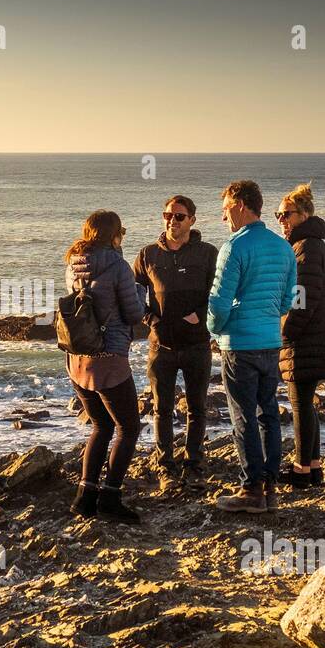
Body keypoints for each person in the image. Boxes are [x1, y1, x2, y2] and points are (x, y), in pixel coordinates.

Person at [206, 180, 298, 514]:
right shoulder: (283, 247)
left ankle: (251, 489)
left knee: (243, 416)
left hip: (240, 344)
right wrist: (266, 315)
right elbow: (289, 298)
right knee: (268, 412)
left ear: (242, 205)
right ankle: (270, 487)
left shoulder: (234, 247)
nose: (223, 216)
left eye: (227, 207)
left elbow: (218, 301)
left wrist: (214, 330)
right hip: (270, 342)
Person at [132, 195, 218, 491]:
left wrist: (203, 316)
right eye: (168, 215)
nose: (172, 220)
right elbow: (131, 294)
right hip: (161, 346)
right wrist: (150, 320)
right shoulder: (147, 254)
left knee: (197, 408)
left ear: (192, 220)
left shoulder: (208, 253)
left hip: (197, 345)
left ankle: (194, 464)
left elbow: (221, 292)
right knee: (162, 408)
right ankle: (165, 466)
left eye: (179, 216)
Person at [65, 210, 146, 523]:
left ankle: (85, 497)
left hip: (77, 358)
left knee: (101, 425)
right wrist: (140, 290)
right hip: (108, 359)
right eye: (121, 233)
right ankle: (110, 497)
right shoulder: (118, 267)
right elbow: (133, 314)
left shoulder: (73, 264)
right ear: (114, 235)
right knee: (128, 427)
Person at [275, 183, 325, 488]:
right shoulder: (307, 245)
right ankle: (312, 466)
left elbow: (302, 298)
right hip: (315, 336)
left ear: (303, 214)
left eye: (286, 214)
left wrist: (285, 335)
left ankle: (302, 469)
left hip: (307, 338)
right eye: (278, 215)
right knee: (305, 401)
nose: (281, 220)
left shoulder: (307, 247)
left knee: (299, 402)